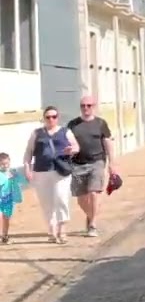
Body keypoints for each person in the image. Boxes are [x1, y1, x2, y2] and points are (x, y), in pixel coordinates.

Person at [23, 106, 79, 244]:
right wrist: (27, 168)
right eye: (48, 117)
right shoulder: (37, 133)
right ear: (44, 118)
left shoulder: (66, 131)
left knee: (61, 198)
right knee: (46, 202)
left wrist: (72, 150)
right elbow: (29, 152)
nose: (51, 119)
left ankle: (62, 229)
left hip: (60, 171)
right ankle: (52, 230)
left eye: (54, 116)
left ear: (58, 118)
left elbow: (76, 147)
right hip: (41, 171)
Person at [66, 94, 113, 237]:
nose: (85, 108)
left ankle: (93, 224)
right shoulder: (72, 124)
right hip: (77, 164)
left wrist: (112, 163)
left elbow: (107, 142)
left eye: (89, 105)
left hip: (97, 162)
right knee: (81, 199)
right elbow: (66, 141)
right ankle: (91, 215)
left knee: (94, 192)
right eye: (83, 106)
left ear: (94, 107)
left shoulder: (100, 123)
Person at [0, 152, 24, 245]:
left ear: (9, 162)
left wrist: (16, 176)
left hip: (9, 199)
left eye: (6, 163)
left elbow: (23, 181)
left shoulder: (13, 172)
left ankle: (5, 236)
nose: (5, 166)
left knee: (6, 218)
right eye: (2, 164)